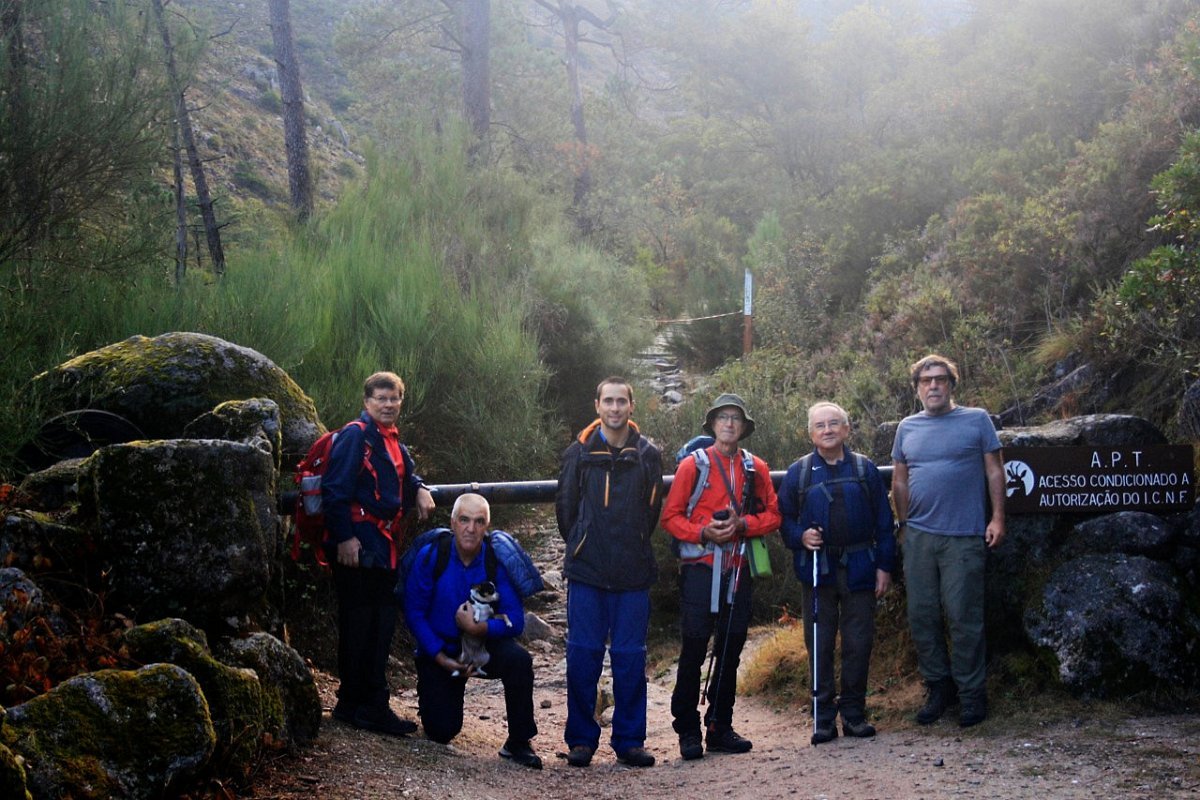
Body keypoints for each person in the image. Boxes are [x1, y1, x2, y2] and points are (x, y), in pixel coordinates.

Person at [661, 393, 781, 760]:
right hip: (701, 569)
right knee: (695, 647)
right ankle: (687, 729)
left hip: (738, 569)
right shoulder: (692, 466)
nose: (729, 424)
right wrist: (704, 533)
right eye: (723, 418)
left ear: (744, 427)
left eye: (736, 418)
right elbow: (671, 517)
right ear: (712, 424)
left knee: (730, 649)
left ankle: (720, 725)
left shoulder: (755, 468)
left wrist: (743, 524)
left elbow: (774, 515)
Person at [891, 354, 1006, 728]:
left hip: (965, 534)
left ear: (952, 385)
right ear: (917, 388)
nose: (934, 386)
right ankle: (939, 689)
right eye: (926, 381)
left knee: (963, 617)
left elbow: (995, 470)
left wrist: (998, 518)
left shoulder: (977, 420)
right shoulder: (907, 427)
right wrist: (904, 524)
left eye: (941, 379)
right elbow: (900, 479)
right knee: (922, 615)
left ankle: (972, 695)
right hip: (920, 536)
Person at [555, 377, 664, 768]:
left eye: (622, 401)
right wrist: (584, 543)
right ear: (597, 405)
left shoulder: (648, 454)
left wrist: (632, 541)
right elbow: (566, 512)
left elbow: (652, 511)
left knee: (630, 658)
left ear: (632, 406)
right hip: (587, 571)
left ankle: (630, 741)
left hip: (633, 572)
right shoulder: (579, 452)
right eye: (609, 401)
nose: (615, 408)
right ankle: (582, 740)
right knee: (582, 657)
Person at [322, 371, 435, 735]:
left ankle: (355, 703)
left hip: (378, 544)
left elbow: (406, 473)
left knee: (374, 623)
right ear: (367, 401)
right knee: (365, 623)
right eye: (381, 399)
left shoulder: (390, 440)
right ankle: (368, 706)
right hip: (359, 543)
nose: (388, 405)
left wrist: (418, 488)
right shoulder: (357, 435)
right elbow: (334, 489)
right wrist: (344, 538)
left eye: (394, 399)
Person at [779, 402, 896, 744]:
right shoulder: (798, 472)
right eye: (820, 425)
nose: (827, 430)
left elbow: (884, 523)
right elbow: (783, 519)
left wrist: (885, 566)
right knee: (819, 643)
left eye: (834, 424)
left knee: (859, 643)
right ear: (811, 433)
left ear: (846, 429)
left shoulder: (865, 469)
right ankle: (823, 719)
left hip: (861, 566)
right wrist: (800, 536)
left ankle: (855, 716)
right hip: (817, 571)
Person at [403, 493, 542, 769]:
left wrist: (480, 628)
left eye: (479, 522)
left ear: (486, 526)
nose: (471, 528)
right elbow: (414, 613)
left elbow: (516, 619)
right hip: (441, 651)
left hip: (482, 648)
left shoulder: (494, 559)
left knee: (519, 661)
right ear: (453, 522)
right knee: (441, 731)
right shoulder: (432, 555)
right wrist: (441, 658)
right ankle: (434, 696)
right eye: (464, 520)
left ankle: (519, 741)